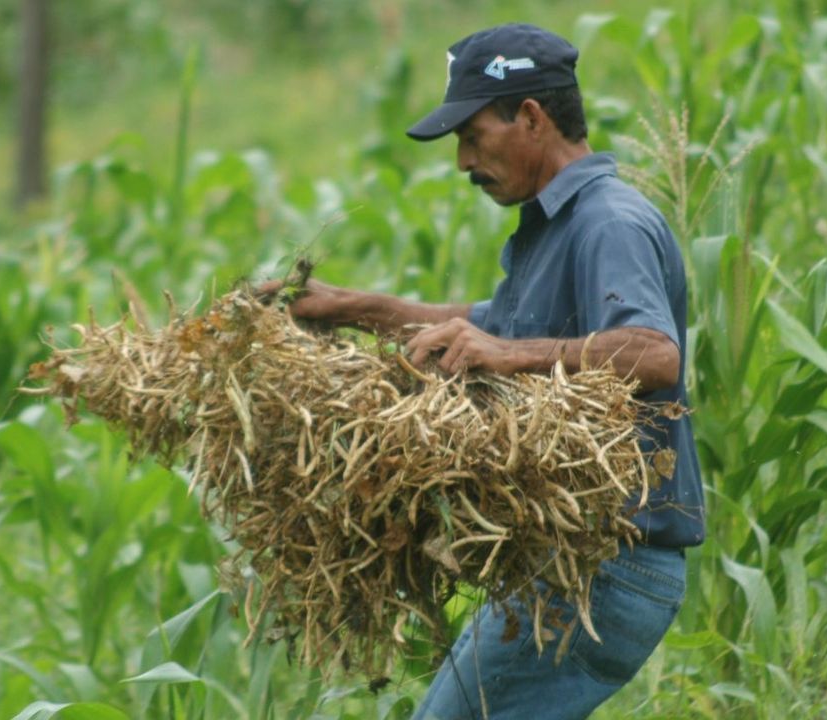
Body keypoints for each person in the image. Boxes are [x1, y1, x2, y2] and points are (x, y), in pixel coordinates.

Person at [282, 23, 705, 719]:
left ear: (531, 118)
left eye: (473, 136)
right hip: (578, 569)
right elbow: (482, 325)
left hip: (604, 571)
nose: (461, 161)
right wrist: (348, 307)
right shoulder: (557, 226)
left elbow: (655, 353)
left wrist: (507, 356)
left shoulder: (607, 222)